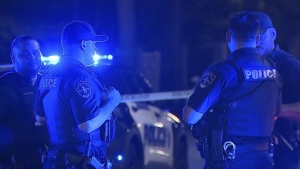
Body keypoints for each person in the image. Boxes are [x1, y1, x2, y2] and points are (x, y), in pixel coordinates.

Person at [182, 11, 282, 169]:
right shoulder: (273, 72)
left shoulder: (221, 72)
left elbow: (190, 116)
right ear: (257, 38)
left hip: (228, 160)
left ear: (228, 36)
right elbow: (276, 112)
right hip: (264, 160)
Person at [34, 20, 122, 169]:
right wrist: (113, 101)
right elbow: (88, 124)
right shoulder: (79, 76)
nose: (95, 48)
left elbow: (40, 119)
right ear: (83, 44)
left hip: (55, 160)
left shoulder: (47, 75)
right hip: (80, 161)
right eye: (93, 43)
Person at [256, 11, 300, 169]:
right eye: (250, 37)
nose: (255, 41)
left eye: (260, 35)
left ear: (273, 34)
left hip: (285, 155)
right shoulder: (243, 66)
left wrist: (278, 110)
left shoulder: (290, 66)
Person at [0, 35, 49, 168]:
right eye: (24, 54)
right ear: (13, 57)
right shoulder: (3, 88)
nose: (32, 57)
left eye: (35, 53)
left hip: (48, 162)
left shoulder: (48, 84)